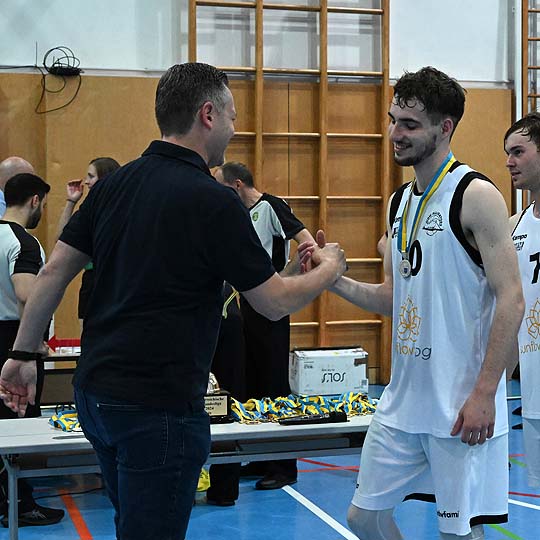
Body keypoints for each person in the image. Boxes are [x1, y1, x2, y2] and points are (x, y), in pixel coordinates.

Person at [0, 62, 346, 540]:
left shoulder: (112, 187)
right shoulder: (214, 201)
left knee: (132, 525)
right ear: (208, 114)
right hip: (157, 408)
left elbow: (54, 272)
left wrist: (21, 353)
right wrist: (330, 269)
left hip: (96, 397)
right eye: (231, 116)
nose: (234, 128)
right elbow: (272, 304)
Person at [313, 67, 524, 539]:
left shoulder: (475, 195)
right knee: (363, 517)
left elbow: (512, 298)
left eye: (409, 124)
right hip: (403, 402)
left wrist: (486, 393)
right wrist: (331, 280)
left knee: (458, 533)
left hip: (459, 404)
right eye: (393, 120)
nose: (395, 134)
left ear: (444, 128)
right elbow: (395, 297)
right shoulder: (399, 203)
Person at [215, 161, 315, 490]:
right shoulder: (239, 215)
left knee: (273, 384)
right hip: (246, 307)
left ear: (237, 185)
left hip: (271, 308)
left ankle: (285, 466)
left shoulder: (271, 206)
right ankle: (262, 455)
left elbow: (306, 240)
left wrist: (287, 276)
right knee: (253, 383)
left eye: (221, 185)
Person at [0, 173, 65, 527]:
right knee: (18, 421)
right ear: (35, 200)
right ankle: (19, 504)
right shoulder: (23, 242)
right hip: (14, 341)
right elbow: (26, 294)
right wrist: (32, 343)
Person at [505, 112, 540, 487]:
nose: (509, 162)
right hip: (534, 395)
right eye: (507, 153)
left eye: (518, 151)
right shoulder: (513, 227)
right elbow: (512, 315)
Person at [56, 157, 120, 321]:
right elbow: (62, 239)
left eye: (91, 176)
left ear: (104, 178)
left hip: (115, 280)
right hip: (91, 280)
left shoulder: (121, 210)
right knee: (86, 330)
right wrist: (71, 201)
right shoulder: (89, 211)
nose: (86, 182)